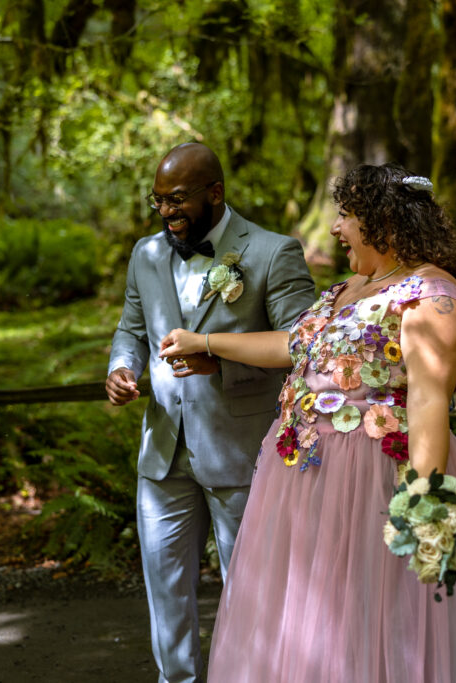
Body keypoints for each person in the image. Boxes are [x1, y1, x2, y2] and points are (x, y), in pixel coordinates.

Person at [160, 163, 456, 681]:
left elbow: (429, 403)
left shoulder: (434, 298)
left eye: (345, 215)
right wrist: (206, 343)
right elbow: (294, 346)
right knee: (309, 623)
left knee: (377, 620)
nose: (335, 229)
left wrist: (423, 500)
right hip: (304, 481)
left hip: (373, 483)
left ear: (382, 220)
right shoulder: (355, 285)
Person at [105, 142, 316, 683]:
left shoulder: (273, 252)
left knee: (251, 592)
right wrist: (121, 367)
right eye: (158, 202)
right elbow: (132, 326)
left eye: (177, 199)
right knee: (165, 587)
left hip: (239, 454)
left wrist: (220, 362)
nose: (167, 213)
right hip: (162, 453)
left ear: (215, 193)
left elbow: (304, 348)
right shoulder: (146, 255)